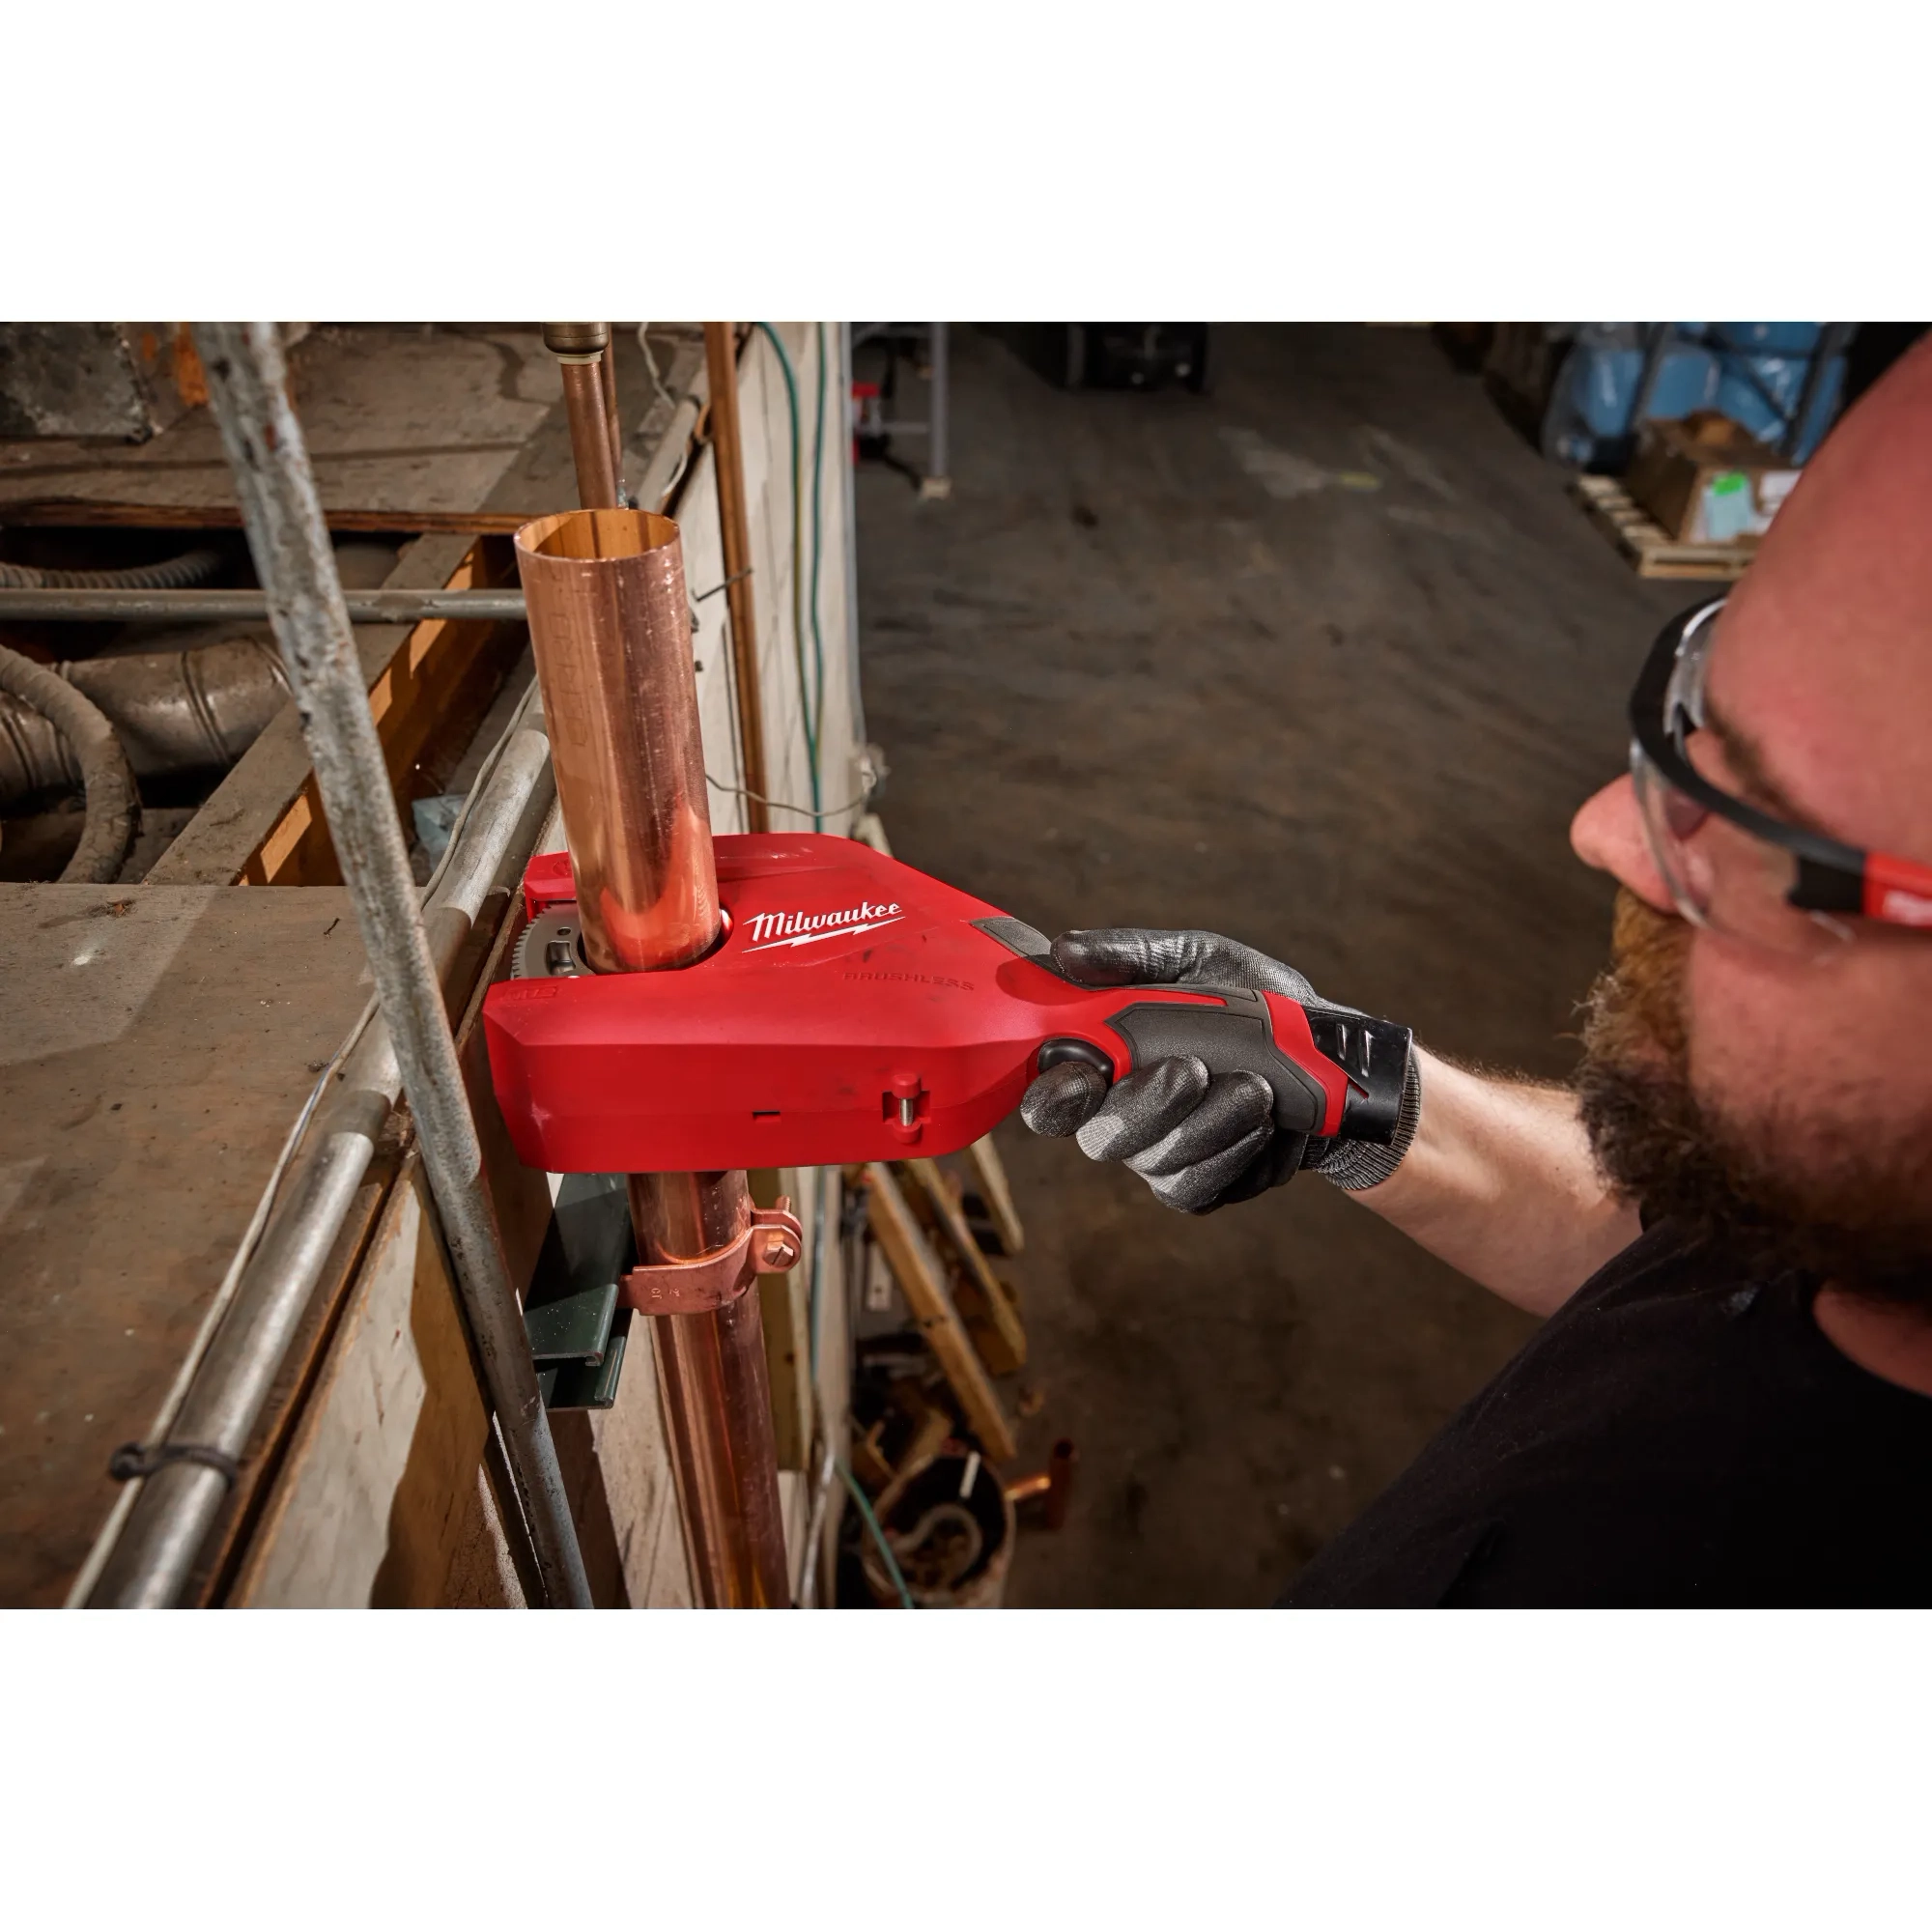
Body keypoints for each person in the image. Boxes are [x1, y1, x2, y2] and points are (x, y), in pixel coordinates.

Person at [1019, 338, 1932, 1606]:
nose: (1606, 828)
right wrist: (1353, 1089)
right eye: (1697, 713)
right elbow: (1694, 1249)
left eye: (1769, 829)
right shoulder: (1869, 1221)